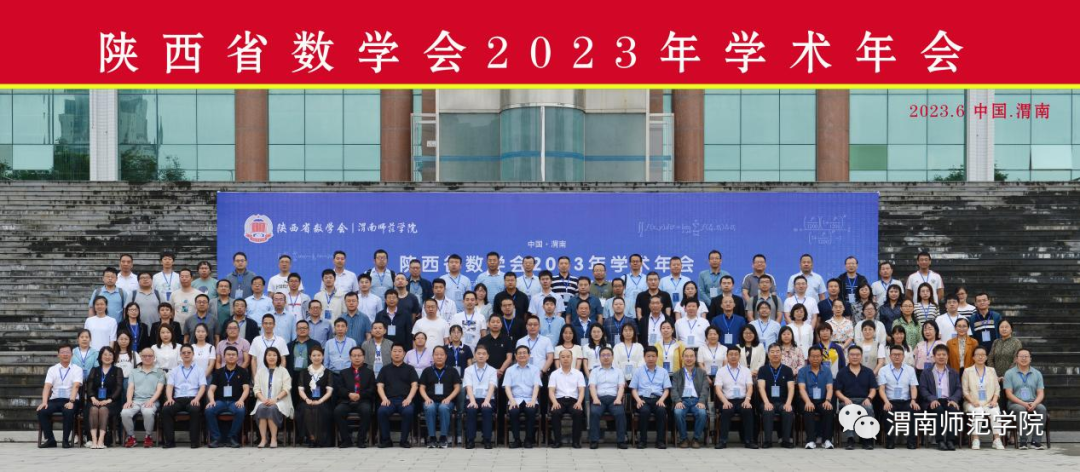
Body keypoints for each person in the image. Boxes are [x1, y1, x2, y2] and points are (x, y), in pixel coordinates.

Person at [36, 344, 83, 448]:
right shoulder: (53, 369)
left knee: (68, 411)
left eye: (67, 352)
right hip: (55, 400)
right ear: (58, 355)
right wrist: (44, 402)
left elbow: (76, 386)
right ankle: (50, 440)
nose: (65, 354)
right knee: (42, 411)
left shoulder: (77, 369)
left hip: (71, 399)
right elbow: (47, 386)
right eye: (62, 352)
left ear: (72, 354)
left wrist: (71, 401)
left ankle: (65, 440)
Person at [203, 346, 250, 448]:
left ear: (237, 357)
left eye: (233, 355)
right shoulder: (218, 372)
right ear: (224, 357)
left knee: (240, 411)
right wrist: (211, 400)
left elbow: (246, 389)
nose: (231, 356)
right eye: (228, 354)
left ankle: (231, 437)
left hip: (235, 401)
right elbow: (211, 389)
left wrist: (241, 400)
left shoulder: (243, 371)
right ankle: (216, 438)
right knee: (209, 410)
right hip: (220, 401)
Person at [161, 345, 206, 448]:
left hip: (192, 398)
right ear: (180, 355)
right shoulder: (175, 370)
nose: (186, 354)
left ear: (193, 354)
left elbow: (203, 387)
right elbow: (169, 386)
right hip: (178, 399)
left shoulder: (199, 370)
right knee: (166, 409)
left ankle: (194, 442)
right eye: (184, 353)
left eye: (189, 352)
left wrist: (197, 399)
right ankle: (170, 442)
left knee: (194, 410)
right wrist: (169, 398)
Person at [918, 344, 961, 450]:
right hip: (933, 400)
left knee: (953, 410)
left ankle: (950, 440)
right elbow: (923, 389)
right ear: (934, 357)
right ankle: (940, 440)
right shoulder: (926, 372)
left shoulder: (953, 372)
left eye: (944, 354)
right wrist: (932, 399)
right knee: (938, 410)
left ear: (947, 356)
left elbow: (959, 389)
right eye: (938, 354)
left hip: (948, 400)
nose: (941, 357)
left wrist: (954, 399)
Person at [835, 345, 879, 450]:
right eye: (852, 355)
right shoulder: (842, 372)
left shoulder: (868, 372)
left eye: (857, 355)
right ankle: (850, 439)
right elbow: (837, 391)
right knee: (849, 409)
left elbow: (873, 389)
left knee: (868, 408)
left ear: (861, 356)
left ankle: (867, 439)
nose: (855, 357)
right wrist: (844, 399)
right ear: (848, 356)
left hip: (864, 400)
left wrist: (869, 398)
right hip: (847, 401)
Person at [877, 345, 921, 449]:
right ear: (890, 356)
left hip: (906, 401)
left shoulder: (910, 370)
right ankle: (890, 441)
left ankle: (911, 442)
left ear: (903, 356)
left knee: (914, 411)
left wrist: (913, 400)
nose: (897, 357)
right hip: (890, 401)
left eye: (899, 354)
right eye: (894, 354)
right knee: (887, 411)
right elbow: (881, 389)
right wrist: (886, 402)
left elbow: (913, 387)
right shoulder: (883, 370)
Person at [376, 343, 419, 448]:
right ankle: (386, 440)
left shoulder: (410, 369)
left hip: (405, 400)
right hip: (389, 400)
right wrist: (384, 398)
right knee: (382, 411)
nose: (397, 353)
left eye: (400, 351)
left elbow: (415, 385)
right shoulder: (385, 369)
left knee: (408, 411)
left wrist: (409, 398)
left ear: (404, 354)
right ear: (391, 353)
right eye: (394, 351)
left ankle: (404, 440)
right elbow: (380, 386)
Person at [962, 346, 1005, 450]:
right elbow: (965, 390)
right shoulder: (967, 371)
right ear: (973, 357)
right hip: (972, 402)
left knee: (995, 412)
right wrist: (972, 401)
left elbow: (997, 388)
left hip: (989, 402)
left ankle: (997, 439)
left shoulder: (991, 370)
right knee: (978, 411)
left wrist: (994, 400)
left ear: (986, 357)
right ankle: (975, 439)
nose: (980, 357)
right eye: (978, 355)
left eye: (983, 355)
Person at [1003, 348, 1047, 449]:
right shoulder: (1009, 373)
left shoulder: (1037, 373)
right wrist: (1023, 404)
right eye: (1021, 356)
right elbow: (1009, 394)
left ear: (1030, 359)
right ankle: (1023, 441)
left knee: (1042, 409)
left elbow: (1041, 393)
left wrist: (1034, 403)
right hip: (1015, 403)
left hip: (1032, 402)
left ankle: (1036, 441)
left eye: (1026, 356)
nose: (1024, 358)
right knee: (1021, 409)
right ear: (1016, 359)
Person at [121, 347, 164, 448]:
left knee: (148, 412)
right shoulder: (134, 372)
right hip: (136, 401)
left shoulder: (160, 372)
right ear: (140, 357)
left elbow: (159, 390)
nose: (147, 358)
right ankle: (131, 437)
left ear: (154, 357)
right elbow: (130, 387)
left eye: (150, 356)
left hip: (152, 400)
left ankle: (148, 436)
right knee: (125, 412)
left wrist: (151, 401)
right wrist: (129, 401)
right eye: (144, 356)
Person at [334, 347, 376, 448]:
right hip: (346, 400)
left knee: (366, 410)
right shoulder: (343, 373)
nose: (357, 358)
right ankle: (346, 440)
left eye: (359, 355)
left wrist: (360, 395)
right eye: (354, 356)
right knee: (338, 411)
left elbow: (372, 389)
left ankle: (361, 440)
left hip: (363, 400)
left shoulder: (369, 373)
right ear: (350, 357)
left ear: (363, 357)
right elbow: (339, 389)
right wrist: (349, 394)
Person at [420, 346, 461, 448]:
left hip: (447, 401)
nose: (439, 357)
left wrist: (449, 398)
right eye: (436, 354)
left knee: (443, 408)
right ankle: (432, 438)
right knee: (430, 407)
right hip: (430, 400)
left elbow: (457, 387)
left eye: (441, 354)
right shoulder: (427, 371)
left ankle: (443, 437)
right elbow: (421, 387)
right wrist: (426, 398)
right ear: (433, 356)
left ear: (446, 356)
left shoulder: (452, 371)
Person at [714, 348, 756, 449]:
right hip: (727, 399)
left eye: (736, 354)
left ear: (739, 356)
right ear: (727, 356)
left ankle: (749, 441)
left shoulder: (746, 371)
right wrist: (725, 401)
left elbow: (750, 387)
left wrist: (747, 400)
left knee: (747, 410)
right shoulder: (721, 371)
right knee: (727, 410)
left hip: (742, 399)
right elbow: (718, 389)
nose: (733, 356)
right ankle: (723, 441)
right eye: (731, 354)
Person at [252, 347, 293, 448]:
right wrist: (263, 399)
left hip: (280, 400)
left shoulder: (283, 371)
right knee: (261, 408)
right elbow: (256, 389)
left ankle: (273, 438)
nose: (271, 357)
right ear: (265, 357)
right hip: (263, 400)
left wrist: (275, 399)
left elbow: (287, 388)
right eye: (269, 355)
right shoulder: (260, 371)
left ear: (278, 357)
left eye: (274, 355)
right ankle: (263, 439)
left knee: (272, 408)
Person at [630, 346, 670, 449]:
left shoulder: (663, 371)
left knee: (661, 411)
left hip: (658, 399)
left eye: (653, 356)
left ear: (657, 357)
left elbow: (666, 389)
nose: (651, 358)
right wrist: (638, 400)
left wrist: (662, 400)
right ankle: (642, 441)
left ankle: (660, 441)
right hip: (643, 399)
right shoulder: (638, 371)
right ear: (644, 357)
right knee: (644, 411)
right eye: (648, 356)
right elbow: (633, 389)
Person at [588, 347, 628, 449]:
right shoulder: (594, 371)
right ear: (599, 357)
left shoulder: (618, 371)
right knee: (594, 412)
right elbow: (592, 386)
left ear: (612, 357)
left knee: (620, 413)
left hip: (614, 398)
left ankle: (621, 441)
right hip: (599, 398)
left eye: (608, 355)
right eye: (603, 355)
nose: (606, 357)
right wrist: (595, 398)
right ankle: (594, 440)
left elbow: (621, 387)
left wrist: (618, 399)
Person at [83, 346, 123, 449]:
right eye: (105, 354)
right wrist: (93, 398)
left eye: (110, 355)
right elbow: (89, 386)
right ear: (100, 357)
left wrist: (109, 400)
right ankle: (93, 440)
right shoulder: (94, 370)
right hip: (95, 400)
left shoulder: (118, 370)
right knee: (93, 409)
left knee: (103, 409)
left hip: (112, 401)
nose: (107, 357)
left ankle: (101, 440)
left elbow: (119, 388)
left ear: (114, 357)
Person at [757, 343, 796, 449]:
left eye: (778, 351)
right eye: (772, 352)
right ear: (768, 354)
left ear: (781, 354)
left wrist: (788, 403)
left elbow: (791, 388)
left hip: (783, 402)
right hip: (768, 401)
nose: (775, 354)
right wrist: (766, 402)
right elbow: (761, 387)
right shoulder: (763, 370)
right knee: (768, 410)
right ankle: (768, 441)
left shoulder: (787, 370)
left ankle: (786, 440)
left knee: (788, 410)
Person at [797, 346, 835, 449]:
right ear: (808, 358)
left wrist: (827, 400)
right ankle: (810, 440)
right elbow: (801, 389)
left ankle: (827, 440)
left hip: (822, 400)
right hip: (807, 399)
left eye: (818, 356)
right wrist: (808, 401)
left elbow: (830, 388)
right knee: (808, 409)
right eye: (813, 356)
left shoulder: (827, 371)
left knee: (828, 409)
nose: (815, 359)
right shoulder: (802, 371)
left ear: (821, 357)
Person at [505, 345, 542, 448]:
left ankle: (528, 440)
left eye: (524, 353)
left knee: (530, 411)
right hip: (515, 399)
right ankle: (516, 440)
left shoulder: (535, 369)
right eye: (519, 353)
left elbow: (536, 386)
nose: (522, 355)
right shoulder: (510, 370)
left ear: (529, 355)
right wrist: (512, 400)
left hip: (530, 399)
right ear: (515, 356)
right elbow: (507, 387)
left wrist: (533, 400)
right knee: (513, 412)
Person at [547, 349, 586, 448]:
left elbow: (581, 390)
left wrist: (579, 402)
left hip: (574, 400)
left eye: (568, 357)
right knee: (555, 412)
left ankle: (575, 442)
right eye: (563, 357)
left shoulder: (578, 373)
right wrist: (554, 402)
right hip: (559, 400)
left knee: (578, 412)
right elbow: (551, 391)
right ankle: (557, 441)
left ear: (572, 358)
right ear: (559, 359)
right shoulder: (554, 374)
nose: (565, 359)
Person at [297, 346, 334, 447]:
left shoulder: (328, 372)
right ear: (310, 357)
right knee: (306, 408)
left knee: (319, 408)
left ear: (323, 357)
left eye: (319, 355)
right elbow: (300, 390)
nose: (316, 357)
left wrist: (320, 400)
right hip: (307, 400)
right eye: (314, 355)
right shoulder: (304, 372)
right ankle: (311, 437)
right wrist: (306, 399)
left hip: (323, 400)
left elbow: (329, 392)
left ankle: (319, 438)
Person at [671, 348, 709, 448]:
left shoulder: (702, 373)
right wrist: (677, 401)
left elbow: (705, 388)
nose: (689, 358)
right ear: (682, 358)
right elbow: (673, 389)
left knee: (702, 413)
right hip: (682, 401)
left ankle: (696, 439)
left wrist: (702, 401)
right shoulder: (677, 374)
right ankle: (684, 439)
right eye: (686, 356)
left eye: (691, 356)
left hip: (697, 401)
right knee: (678, 412)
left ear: (695, 358)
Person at [462, 345, 497, 449]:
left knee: (487, 409)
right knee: (471, 410)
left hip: (488, 398)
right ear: (475, 355)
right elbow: (468, 387)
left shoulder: (492, 370)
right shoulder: (468, 370)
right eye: (479, 353)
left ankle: (487, 440)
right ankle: (470, 440)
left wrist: (487, 401)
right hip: (472, 398)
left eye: (484, 354)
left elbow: (492, 386)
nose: (481, 356)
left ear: (488, 356)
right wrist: (472, 401)